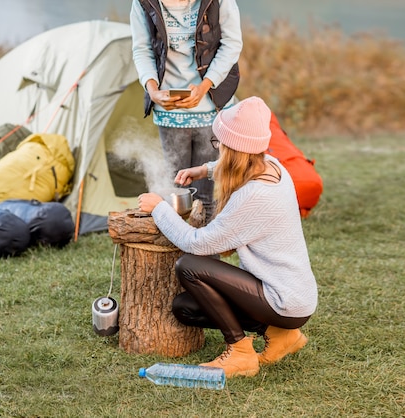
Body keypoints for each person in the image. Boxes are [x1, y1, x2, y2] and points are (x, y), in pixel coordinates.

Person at [138, 97, 318, 378]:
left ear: (233, 149)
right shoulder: (273, 166)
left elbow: (197, 243)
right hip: (293, 294)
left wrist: (159, 208)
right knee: (186, 308)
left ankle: (240, 353)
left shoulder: (253, 196)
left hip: (284, 300)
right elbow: (238, 165)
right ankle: (283, 336)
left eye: (219, 143)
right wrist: (205, 170)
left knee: (190, 267)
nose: (217, 147)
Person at [130, 0, 242, 221]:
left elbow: (232, 44)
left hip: (211, 105)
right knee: (177, 194)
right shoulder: (143, 2)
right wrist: (153, 91)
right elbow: (141, 49)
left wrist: (204, 87)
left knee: (205, 196)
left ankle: (206, 253)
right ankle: (178, 254)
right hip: (169, 111)